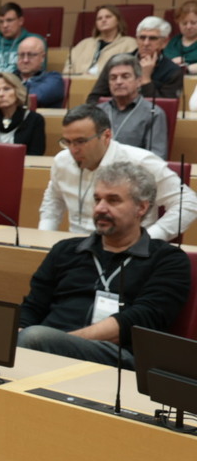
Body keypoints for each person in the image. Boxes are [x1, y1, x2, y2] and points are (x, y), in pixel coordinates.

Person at [20, 161, 190, 367]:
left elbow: (141, 320)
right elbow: (32, 307)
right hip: (42, 346)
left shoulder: (167, 259)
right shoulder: (65, 250)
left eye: (113, 200)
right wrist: (18, 334)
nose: (100, 208)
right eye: (97, 199)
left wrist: (60, 343)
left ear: (141, 207)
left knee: (34, 338)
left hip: (115, 358)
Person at [39, 104, 196, 242]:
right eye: (67, 142)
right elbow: (53, 200)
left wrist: (150, 238)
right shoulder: (62, 160)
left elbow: (187, 202)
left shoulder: (141, 162)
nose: (73, 150)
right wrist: (44, 236)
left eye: (80, 141)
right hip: (75, 249)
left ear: (106, 136)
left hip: (127, 251)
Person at [87, 16, 184, 102]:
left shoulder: (173, 71)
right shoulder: (116, 62)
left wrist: (145, 79)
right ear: (136, 39)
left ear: (165, 42)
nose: (146, 43)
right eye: (142, 37)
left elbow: (164, 109)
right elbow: (94, 99)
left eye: (152, 38)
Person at [96, 53, 169, 158]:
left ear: (139, 81)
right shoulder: (98, 112)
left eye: (125, 76)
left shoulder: (153, 113)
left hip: (134, 172)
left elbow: (157, 157)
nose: (118, 82)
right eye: (113, 78)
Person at [0, 72, 46, 155]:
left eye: (6, 89)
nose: (1, 94)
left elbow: (36, 154)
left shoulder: (35, 120)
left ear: (17, 91)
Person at [0, 35, 63, 108]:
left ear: (42, 57)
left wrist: (7, 93)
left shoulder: (54, 78)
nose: (25, 60)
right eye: (21, 55)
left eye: (31, 55)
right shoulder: (10, 76)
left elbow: (36, 97)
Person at [67, 4, 136, 76]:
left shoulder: (129, 43)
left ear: (118, 21)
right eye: (99, 18)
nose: (103, 20)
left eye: (108, 17)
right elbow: (68, 68)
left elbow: (131, 72)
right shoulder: (83, 44)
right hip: (79, 83)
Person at [163, 0, 197, 75]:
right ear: (178, 22)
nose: (188, 27)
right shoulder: (174, 41)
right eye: (184, 23)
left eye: (193, 23)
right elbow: (167, 60)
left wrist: (183, 60)